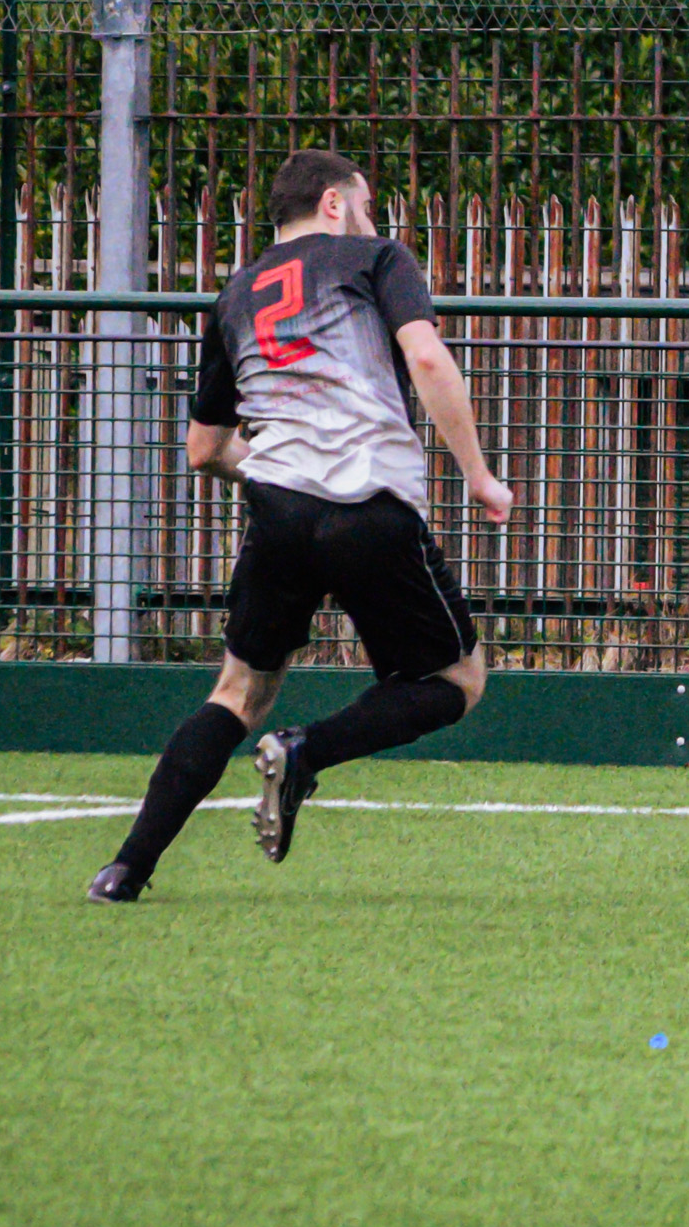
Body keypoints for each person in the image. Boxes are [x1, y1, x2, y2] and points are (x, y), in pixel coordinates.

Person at [86, 148, 514, 902]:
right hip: (370, 510)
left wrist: (287, 470)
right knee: (456, 679)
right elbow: (428, 360)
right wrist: (478, 472)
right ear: (334, 204)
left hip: (276, 508)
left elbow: (205, 450)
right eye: (368, 201)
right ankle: (305, 751)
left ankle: (125, 868)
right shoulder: (375, 255)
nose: (375, 218)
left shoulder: (235, 296)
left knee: (238, 692)